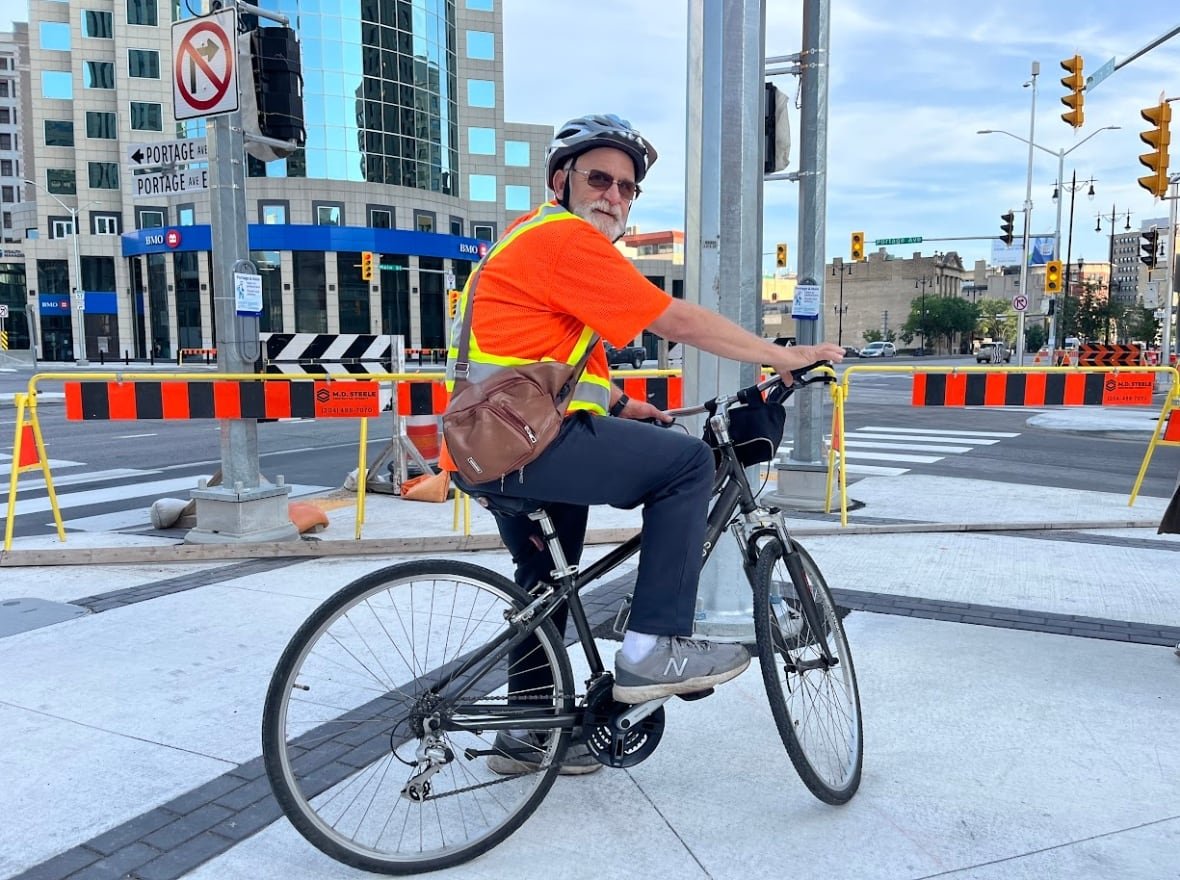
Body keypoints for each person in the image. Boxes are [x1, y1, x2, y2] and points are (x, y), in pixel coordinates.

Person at [442, 113, 844, 774]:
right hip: (524, 444)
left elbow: (548, 362)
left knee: (546, 583)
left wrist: (629, 407)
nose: (614, 196)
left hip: (491, 447)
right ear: (560, 181)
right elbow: (673, 317)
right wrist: (781, 354)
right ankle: (653, 647)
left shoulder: (525, 241)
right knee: (687, 466)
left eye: (628, 188)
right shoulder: (566, 238)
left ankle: (528, 734)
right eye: (600, 179)